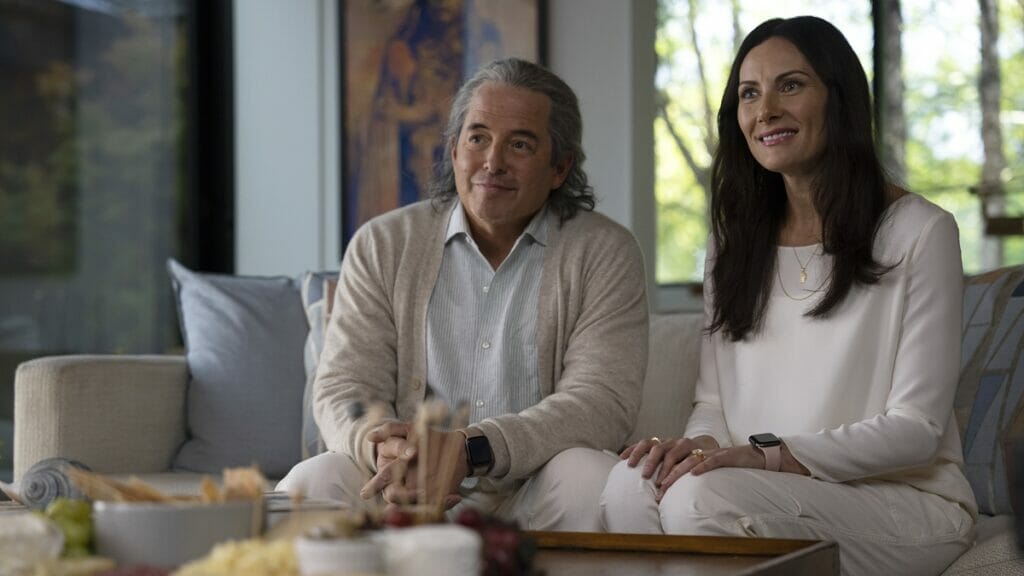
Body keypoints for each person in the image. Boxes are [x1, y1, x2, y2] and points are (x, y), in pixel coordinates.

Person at [601, 16, 976, 576]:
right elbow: (713, 404)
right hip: (761, 484)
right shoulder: (732, 243)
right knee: (630, 483)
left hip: (904, 502)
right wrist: (696, 449)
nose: (766, 110)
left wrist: (767, 456)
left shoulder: (920, 231)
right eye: (749, 93)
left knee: (699, 500)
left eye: (791, 85)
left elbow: (915, 430)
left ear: (840, 99)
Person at [278, 57, 649, 531]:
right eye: (478, 138)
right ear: (454, 150)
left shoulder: (606, 251)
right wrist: (384, 447)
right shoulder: (382, 243)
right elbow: (345, 386)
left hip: (534, 489)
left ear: (559, 168)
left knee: (590, 476)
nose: (493, 162)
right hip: (402, 485)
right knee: (314, 481)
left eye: (520, 144)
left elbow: (599, 402)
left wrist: (472, 450)